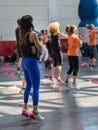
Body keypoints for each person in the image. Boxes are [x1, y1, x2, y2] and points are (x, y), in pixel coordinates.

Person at [20, 15, 44, 120]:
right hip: (32, 62)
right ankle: (35, 111)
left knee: (28, 85)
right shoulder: (33, 34)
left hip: (24, 61)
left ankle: (24, 107)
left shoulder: (22, 34)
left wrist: (34, 46)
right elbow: (40, 49)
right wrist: (40, 40)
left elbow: (30, 47)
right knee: (36, 87)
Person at [15, 18, 26, 93]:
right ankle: (20, 70)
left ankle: (18, 70)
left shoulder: (16, 28)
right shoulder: (20, 29)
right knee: (22, 58)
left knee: (20, 58)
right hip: (21, 45)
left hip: (18, 45)